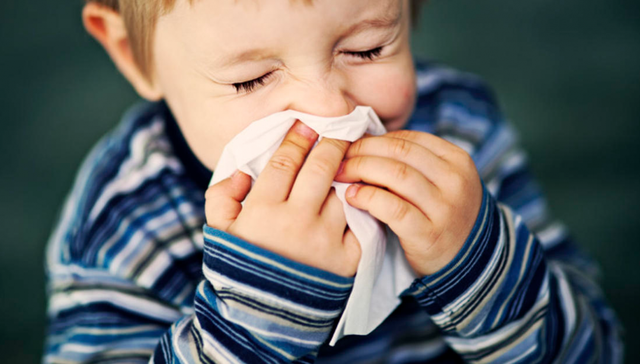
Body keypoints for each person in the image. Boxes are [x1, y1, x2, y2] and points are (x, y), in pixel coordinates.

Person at [44, 0, 623, 362]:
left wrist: (477, 260)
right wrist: (262, 313)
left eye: (368, 49)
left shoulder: (458, 129)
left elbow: (594, 349)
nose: (327, 109)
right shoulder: (123, 229)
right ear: (132, 55)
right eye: (251, 81)